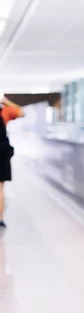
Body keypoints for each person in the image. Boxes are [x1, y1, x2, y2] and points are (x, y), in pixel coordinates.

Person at [0, 96, 24, 229]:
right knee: (0, 189)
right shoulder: (4, 112)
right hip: (2, 153)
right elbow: (21, 112)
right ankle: (0, 220)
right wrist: (6, 101)